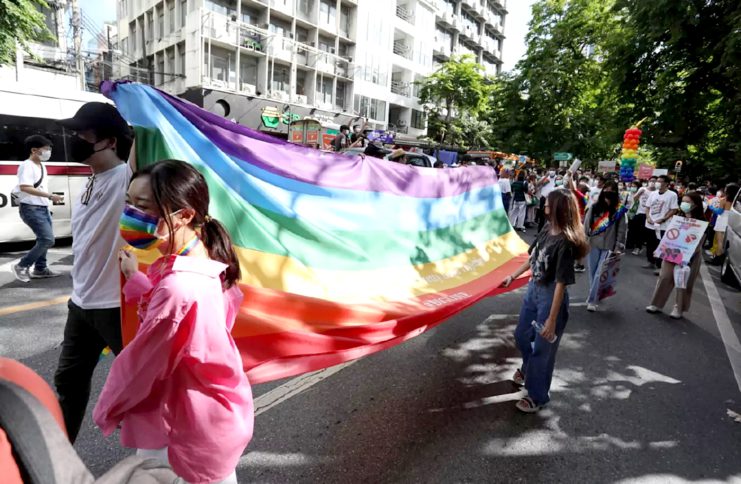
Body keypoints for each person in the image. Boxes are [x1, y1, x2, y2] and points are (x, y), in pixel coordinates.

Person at [93, 160, 253, 484]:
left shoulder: (178, 285)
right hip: (211, 418)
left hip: (182, 430)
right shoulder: (208, 255)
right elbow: (180, 318)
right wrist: (134, 279)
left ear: (184, 215)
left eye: (142, 206)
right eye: (129, 202)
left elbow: (142, 364)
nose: (130, 213)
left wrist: (108, 409)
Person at [53, 102, 133, 443]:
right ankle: (55, 462)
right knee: (68, 383)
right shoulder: (91, 178)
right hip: (81, 304)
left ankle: (164, 466)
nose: (75, 141)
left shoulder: (126, 178)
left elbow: (139, 135)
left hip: (115, 307)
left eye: (83, 135)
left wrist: (135, 100)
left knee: (141, 390)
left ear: (110, 141)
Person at [500, 188, 590, 413]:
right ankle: (528, 368)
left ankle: (537, 396)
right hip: (533, 291)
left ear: (558, 208)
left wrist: (551, 320)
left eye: (548, 204)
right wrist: (513, 276)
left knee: (543, 349)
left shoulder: (566, 243)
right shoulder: (547, 229)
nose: (544, 206)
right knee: (521, 335)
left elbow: (561, 283)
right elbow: (533, 258)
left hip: (551, 298)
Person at [10, 135, 64, 282]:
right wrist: (49, 196)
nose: (49, 152)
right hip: (31, 208)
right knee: (47, 239)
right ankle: (22, 265)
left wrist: (47, 200)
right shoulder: (26, 165)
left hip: (42, 207)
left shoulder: (41, 165)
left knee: (43, 239)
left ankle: (40, 269)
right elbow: (25, 187)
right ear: (34, 150)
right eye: (46, 149)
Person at [646, 192, 707, 319]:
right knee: (665, 278)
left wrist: (686, 256)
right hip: (671, 253)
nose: (684, 204)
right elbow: (668, 236)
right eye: (683, 201)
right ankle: (656, 304)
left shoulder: (701, 222)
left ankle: (679, 308)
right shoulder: (677, 218)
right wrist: (660, 250)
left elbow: (698, 243)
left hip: (690, 257)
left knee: (683, 282)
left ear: (695, 205)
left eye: (687, 202)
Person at [583, 181, 628, 312]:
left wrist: (619, 246)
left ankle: (592, 299)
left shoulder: (619, 211)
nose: (607, 197)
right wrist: (584, 240)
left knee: (600, 272)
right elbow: (587, 224)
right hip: (593, 243)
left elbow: (621, 230)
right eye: (606, 192)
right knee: (592, 271)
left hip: (609, 245)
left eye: (612, 192)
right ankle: (595, 293)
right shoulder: (594, 207)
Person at [644, 175, 679, 274]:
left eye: (660, 181)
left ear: (666, 183)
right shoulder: (653, 193)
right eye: (657, 181)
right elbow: (647, 207)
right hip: (650, 224)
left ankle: (659, 266)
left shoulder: (672, 195)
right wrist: (648, 217)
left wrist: (663, 219)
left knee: (661, 246)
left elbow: (674, 209)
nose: (657, 183)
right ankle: (650, 261)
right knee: (650, 244)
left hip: (663, 226)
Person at [707, 183, 740, 265]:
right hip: (731, 222)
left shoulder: (724, 200)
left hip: (721, 222)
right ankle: (721, 259)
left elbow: (719, 212)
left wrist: (710, 206)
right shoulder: (737, 203)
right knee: (725, 243)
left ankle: (717, 260)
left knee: (719, 242)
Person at [627, 180, 649, 255]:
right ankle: (630, 244)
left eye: (635, 186)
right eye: (632, 186)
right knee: (631, 229)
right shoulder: (629, 193)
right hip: (632, 213)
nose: (633, 187)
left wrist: (640, 193)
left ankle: (638, 246)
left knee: (640, 231)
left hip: (642, 214)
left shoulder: (645, 193)